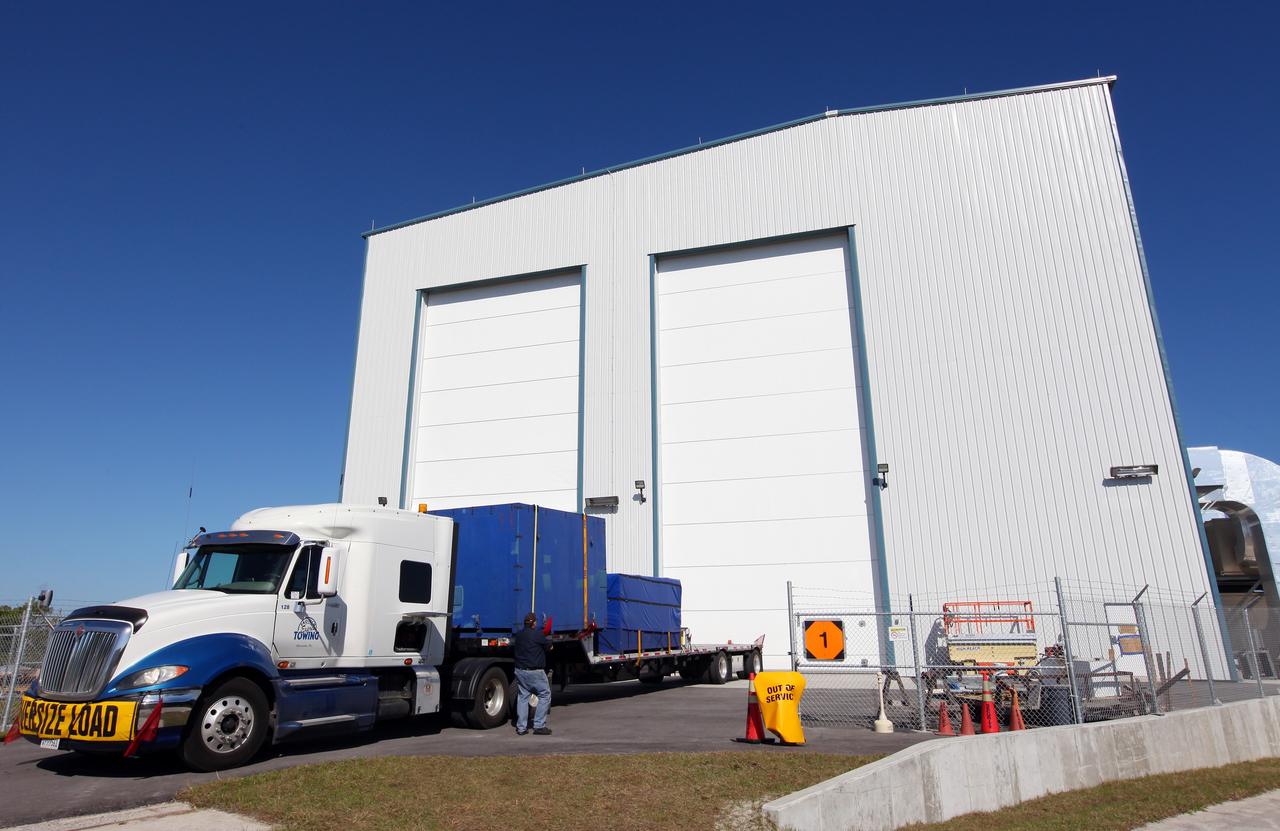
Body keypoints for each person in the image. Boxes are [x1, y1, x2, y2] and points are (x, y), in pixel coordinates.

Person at [513, 612, 552, 735]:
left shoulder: (518, 635)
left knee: (523, 697)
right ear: (534, 623)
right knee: (545, 695)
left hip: (520, 671)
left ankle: (521, 728)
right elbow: (549, 647)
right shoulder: (537, 634)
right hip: (535, 672)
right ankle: (539, 726)